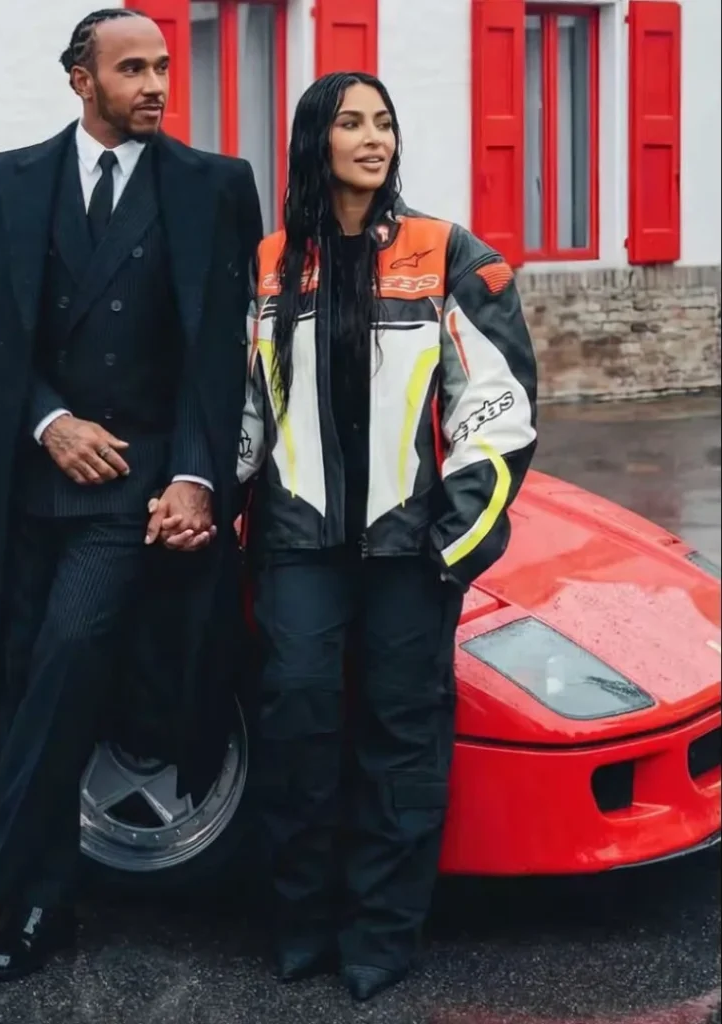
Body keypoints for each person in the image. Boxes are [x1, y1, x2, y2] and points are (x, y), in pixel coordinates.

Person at [0, 8, 262, 982]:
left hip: (130, 496)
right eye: (134, 68)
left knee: (70, 656)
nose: (157, 84)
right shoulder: (7, 180)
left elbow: (217, 358)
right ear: (81, 79)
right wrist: (46, 421)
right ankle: (43, 908)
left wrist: (198, 478)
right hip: (19, 486)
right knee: (27, 689)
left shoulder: (213, 187)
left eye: (163, 67)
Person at [236, 72, 538, 1002]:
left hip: (411, 552)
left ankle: (380, 935)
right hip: (294, 545)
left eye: (384, 123)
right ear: (312, 141)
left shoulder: (446, 253)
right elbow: (243, 407)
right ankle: (300, 925)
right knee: (296, 724)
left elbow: (497, 409)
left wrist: (453, 544)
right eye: (350, 123)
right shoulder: (268, 261)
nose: (372, 138)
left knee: (401, 737)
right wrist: (204, 500)